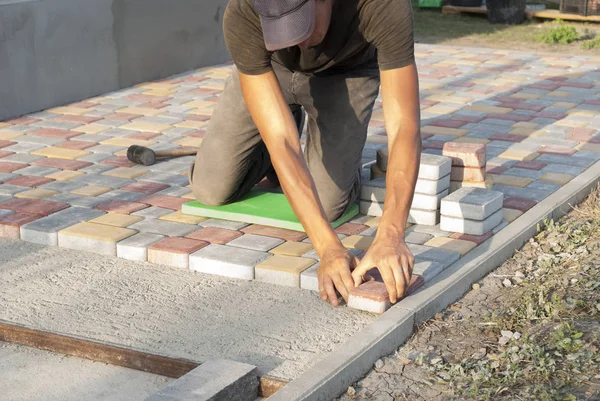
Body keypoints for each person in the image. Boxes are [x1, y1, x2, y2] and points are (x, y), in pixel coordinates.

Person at [190, 0, 421, 307]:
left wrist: (392, 232)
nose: (297, 42)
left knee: (326, 206)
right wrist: (327, 248)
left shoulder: (381, 4)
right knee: (210, 190)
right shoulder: (243, 11)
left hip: (347, 73)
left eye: (301, 25)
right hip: (271, 72)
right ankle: (285, 119)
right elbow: (282, 142)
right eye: (282, 28)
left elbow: (404, 127)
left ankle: (339, 151)